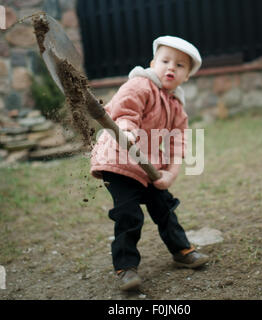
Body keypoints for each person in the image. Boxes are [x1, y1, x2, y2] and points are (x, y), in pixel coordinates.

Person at [90, 36, 209, 291]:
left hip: (148, 167)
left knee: (165, 207)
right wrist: (127, 129)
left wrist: (170, 174)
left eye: (180, 66)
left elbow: (178, 146)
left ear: (187, 76)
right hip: (119, 162)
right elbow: (124, 111)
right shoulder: (140, 85)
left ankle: (181, 251)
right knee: (128, 214)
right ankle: (126, 268)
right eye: (165, 61)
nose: (171, 68)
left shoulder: (177, 106)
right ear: (152, 63)